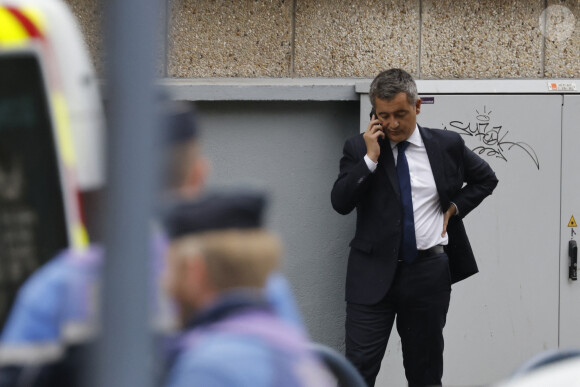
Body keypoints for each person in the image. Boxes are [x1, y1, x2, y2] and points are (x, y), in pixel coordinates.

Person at [330, 68, 498, 387]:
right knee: (357, 371)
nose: (393, 123)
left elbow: (485, 178)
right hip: (371, 275)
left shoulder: (446, 145)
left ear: (418, 106)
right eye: (384, 115)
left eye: (401, 114)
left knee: (425, 372)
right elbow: (340, 202)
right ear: (374, 114)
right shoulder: (358, 148)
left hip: (427, 274)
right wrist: (369, 158)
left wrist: (454, 207)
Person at [163, 189, 334, 387]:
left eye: (171, 269)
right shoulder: (293, 346)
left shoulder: (210, 366)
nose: (166, 283)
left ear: (195, 271)